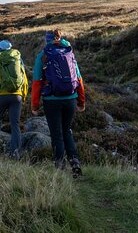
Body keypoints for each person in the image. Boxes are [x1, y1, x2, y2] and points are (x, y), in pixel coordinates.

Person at [31, 29, 85, 177]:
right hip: (70, 99)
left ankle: (60, 167)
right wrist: (81, 101)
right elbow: (79, 80)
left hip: (51, 101)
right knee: (67, 131)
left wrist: (35, 106)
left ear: (46, 40)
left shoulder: (43, 55)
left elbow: (36, 83)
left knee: (56, 135)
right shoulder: (69, 53)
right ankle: (75, 162)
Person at [0, 40, 28, 157]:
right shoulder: (18, 60)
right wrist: (23, 95)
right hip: (17, 96)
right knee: (15, 123)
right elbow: (24, 79)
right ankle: (15, 152)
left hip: (1, 95)